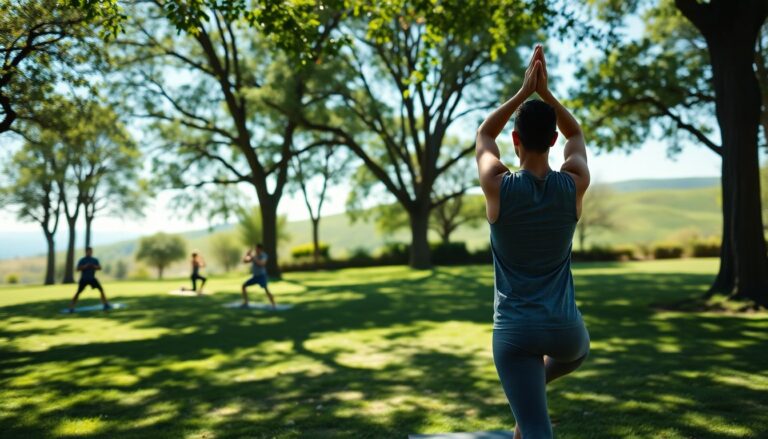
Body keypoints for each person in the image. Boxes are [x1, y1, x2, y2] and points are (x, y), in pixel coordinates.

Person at [475, 45, 591, 439]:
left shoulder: (498, 187)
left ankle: (528, 399)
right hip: (565, 331)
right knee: (578, 351)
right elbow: (576, 133)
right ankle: (530, 394)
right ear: (553, 139)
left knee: (537, 428)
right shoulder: (573, 182)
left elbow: (484, 134)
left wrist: (523, 93)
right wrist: (548, 95)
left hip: (515, 332)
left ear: (516, 139)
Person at [68, 247, 111, 313]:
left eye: (91, 251)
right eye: (88, 251)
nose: (90, 252)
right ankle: (71, 307)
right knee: (78, 293)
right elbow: (77, 269)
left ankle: (105, 304)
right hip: (84, 279)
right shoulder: (82, 260)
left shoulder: (94, 260)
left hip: (92, 279)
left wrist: (93, 266)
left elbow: (99, 267)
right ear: (86, 252)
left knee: (101, 290)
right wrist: (85, 266)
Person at [241, 243, 276, 309]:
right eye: (255, 249)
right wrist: (247, 255)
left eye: (257, 249)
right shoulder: (255, 256)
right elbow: (245, 261)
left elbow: (262, 264)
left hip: (262, 276)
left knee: (266, 290)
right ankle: (246, 303)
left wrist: (253, 257)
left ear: (260, 249)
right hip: (255, 277)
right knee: (243, 286)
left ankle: (273, 304)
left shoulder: (264, 255)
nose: (256, 250)